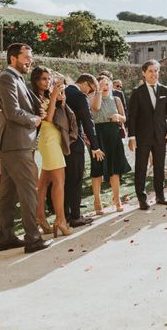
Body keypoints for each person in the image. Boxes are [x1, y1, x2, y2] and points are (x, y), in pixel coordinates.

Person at [0, 43, 51, 253]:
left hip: (13, 144)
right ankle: (33, 239)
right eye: (26, 57)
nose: (30, 61)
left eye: (30, 57)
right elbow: (12, 112)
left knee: (8, 194)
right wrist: (34, 119)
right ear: (13, 58)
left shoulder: (16, 78)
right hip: (16, 144)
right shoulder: (7, 78)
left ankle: (6, 238)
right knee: (28, 191)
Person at [127, 60, 167, 209]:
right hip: (143, 137)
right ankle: (142, 199)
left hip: (161, 136)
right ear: (144, 73)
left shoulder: (165, 90)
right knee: (141, 168)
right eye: (150, 71)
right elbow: (132, 117)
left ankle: (160, 196)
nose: (154, 74)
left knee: (159, 167)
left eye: (156, 71)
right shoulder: (137, 92)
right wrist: (132, 136)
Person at [31, 67, 73, 238]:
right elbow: (47, 119)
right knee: (59, 180)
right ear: (35, 80)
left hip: (54, 137)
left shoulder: (48, 95)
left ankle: (40, 217)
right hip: (47, 139)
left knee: (44, 181)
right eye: (43, 78)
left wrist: (60, 101)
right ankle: (60, 220)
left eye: (48, 78)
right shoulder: (34, 97)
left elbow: (56, 115)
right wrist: (55, 96)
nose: (47, 81)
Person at [64, 74, 105, 227]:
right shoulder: (80, 96)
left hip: (62, 141)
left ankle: (66, 215)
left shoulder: (65, 91)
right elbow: (88, 121)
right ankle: (75, 217)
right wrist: (95, 146)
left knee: (66, 180)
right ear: (86, 84)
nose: (90, 94)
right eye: (91, 91)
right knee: (75, 179)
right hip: (75, 143)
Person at [91, 75, 131, 214]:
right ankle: (97, 201)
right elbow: (95, 107)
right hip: (98, 135)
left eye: (107, 83)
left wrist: (118, 117)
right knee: (97, 169)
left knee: (115, 169)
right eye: (102, 84)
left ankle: (117, 199)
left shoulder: (116, 99)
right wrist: (99, 91)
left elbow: (124, 118)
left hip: (113, 134)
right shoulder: (93, 97)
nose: (105, 86)